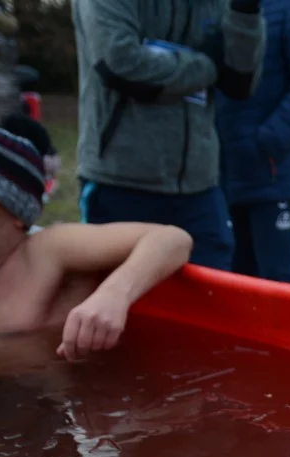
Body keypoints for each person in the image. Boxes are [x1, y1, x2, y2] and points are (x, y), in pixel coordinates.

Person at [0, 126, 193, 360]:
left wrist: (113, 295)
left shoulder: (47, 251)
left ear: (17, 212)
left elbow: (172, 239)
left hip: (45, 390)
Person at [72, 0, 265, 271]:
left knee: (211, 301)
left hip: (200, 188)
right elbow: (121, 64)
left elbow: (240, 81)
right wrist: (207, 66)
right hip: (120, 182)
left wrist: (246, 11)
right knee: (121, 304)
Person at [216, 0, 290, 285]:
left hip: (271, 175)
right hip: (215, 175)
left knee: (274, 282)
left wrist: (268, 141)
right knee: (229, 282)